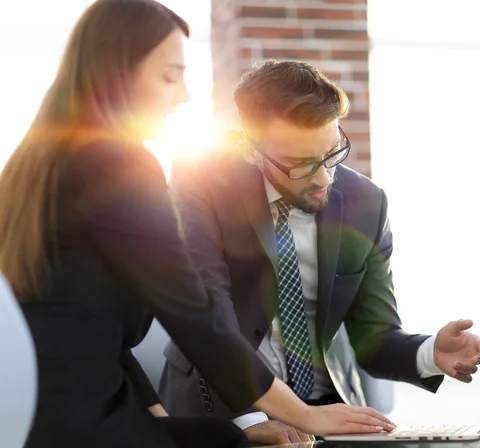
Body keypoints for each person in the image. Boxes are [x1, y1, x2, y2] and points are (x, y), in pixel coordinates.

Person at [0, 3, 394, 448]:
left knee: (216, 434)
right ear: (118, 71)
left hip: (38, 408)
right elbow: (193, 311)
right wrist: (303, 413)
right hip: (78, 422)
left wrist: (155, 411)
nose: (183, 95)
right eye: (170, 75)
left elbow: (84, 324)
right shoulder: (118, 165)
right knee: (230, 441)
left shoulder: (37, 165)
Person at [159, 60, 480, 445]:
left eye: (333, 153)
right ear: (250, 151)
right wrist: (251, 420)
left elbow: (375, 337)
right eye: (300, 165)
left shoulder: (366, 202)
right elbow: (208, 315)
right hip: (222, 407)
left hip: (327, 411)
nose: (323, 179)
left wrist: (431, 352)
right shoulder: (201, 182)